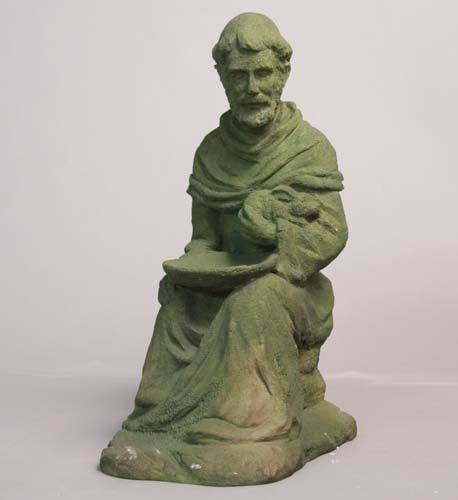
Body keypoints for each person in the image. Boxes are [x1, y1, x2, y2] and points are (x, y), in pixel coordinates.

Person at [100, 12, 356, 486]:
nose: (252, 87)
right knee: (177, 299)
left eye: (263, 73)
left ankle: (248, 426)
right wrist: (193, 268)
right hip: (228, 276)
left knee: (253, 302)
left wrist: (276, 237)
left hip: (291, 285)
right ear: (222, 78)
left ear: (282, 73)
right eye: (239, 76)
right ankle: (161, 417)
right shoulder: (211, 151)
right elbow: (204, 239)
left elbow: (331, 233)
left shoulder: (309, 147)